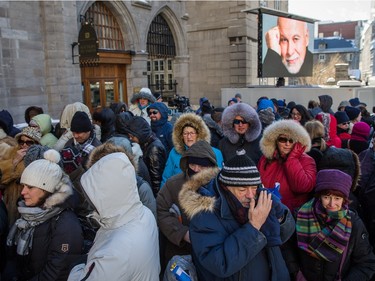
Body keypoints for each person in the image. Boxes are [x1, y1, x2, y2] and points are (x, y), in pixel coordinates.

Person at [179, 150, 295, 281]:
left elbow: (284, 235)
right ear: (226, 187)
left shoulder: (259, 198)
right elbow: (219, 264)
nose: (250, 195)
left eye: (254, 188)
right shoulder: (204, 213)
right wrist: (254, 226)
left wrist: (280, 216)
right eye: (242, 189)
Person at [68, 151, 160, 281]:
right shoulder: (143, 213)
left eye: (92, 198)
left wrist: (76, 268)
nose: (90, 204)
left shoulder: (115, 254)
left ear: (106, 195)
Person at [2, 149, 83, 281]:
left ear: (48, 189)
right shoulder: (29, 211)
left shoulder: (66, 225)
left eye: (30, 187)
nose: (23, 192)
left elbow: (55, 274)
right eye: (23, 186)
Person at [291, 169, 375, 280]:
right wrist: (298, 275)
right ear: (319, 196)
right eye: (326, 197)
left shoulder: (353, 224)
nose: (331, 203)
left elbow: (366, 263)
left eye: (337, 198)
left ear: (344, 199)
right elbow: (289, 251)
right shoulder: (299, 215)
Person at [157, 140, 219, 274]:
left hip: (212, 253)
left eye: (201, 166)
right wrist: (183, 233)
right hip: (180, 251)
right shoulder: (173, 185)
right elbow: (162, 211)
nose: (196, 169)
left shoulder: (220, 186)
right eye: (192, 164)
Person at [258, 119, 316, 214]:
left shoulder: (307, 160)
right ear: (275, 141)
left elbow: (303, 187)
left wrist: (292, 159)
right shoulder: (266, 159)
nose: (287, 144)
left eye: (291, 140)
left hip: (290, 214)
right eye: (283, 139)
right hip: (266, 211)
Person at [161, 112, 223, 188]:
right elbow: (166, 178)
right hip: (177, 195)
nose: (189, 137)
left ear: (199, 134)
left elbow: (219, 181)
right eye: (185, 133)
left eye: (192, 133)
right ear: (181, 136)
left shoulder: (216, 153)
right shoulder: (174, 152)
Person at [0, 127, 42, 225]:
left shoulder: (40, 157)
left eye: (29, 142)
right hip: (10, 203)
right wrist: (14, 162)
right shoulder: (12, 153)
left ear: (36, 143)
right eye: (21, 142)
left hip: (30, 203)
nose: (24, 145)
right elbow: (1, 179)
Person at [121, 115, 167, 196]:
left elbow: (156, 179)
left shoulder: (154, 149)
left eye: (132, 136)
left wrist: (156, 198)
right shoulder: (146, 142)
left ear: (140, 134)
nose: (130, 139)